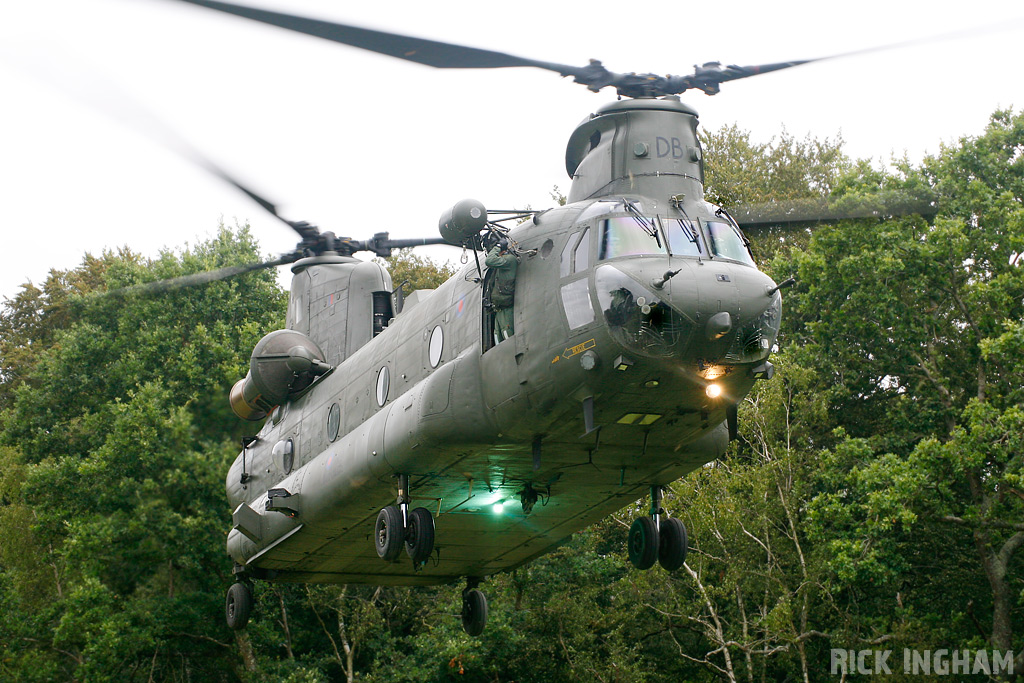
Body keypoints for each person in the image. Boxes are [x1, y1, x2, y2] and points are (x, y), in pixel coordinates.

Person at [485, 238, 519, 342]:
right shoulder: (501, 264)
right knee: (497, 337)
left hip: (505, 308)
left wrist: (497, 247)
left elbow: (489, 261)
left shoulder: (509, 260)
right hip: (498, 308)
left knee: (507, 335)